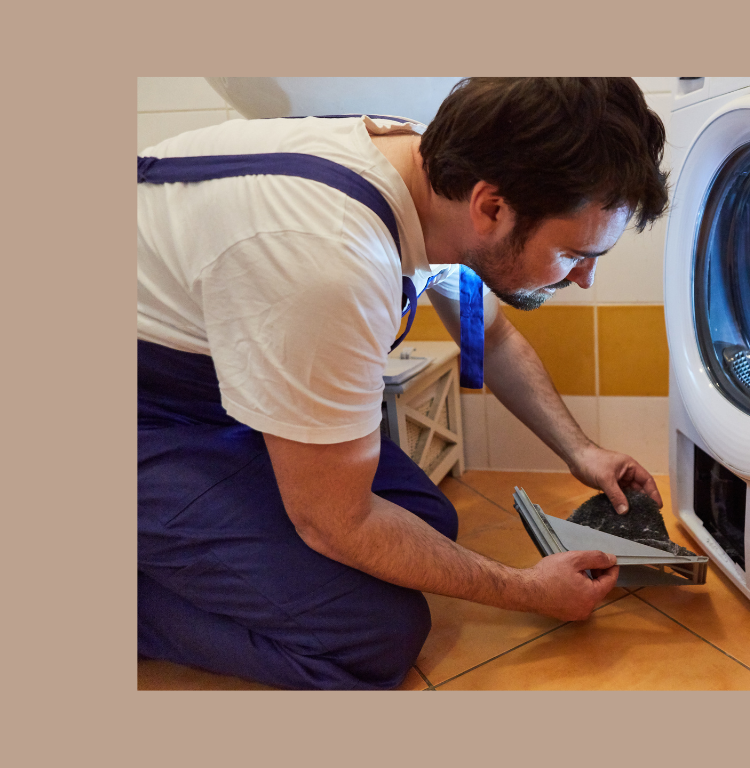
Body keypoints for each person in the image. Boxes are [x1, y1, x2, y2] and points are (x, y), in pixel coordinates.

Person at [136, 78, 670, 689]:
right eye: (577, 253)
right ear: (492, 209)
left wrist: (584, 452)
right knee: (373, 633)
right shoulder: (329, 259)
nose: (585, 280)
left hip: (213, 396)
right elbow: (333, 522)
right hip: (142, 412)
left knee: (421, 521)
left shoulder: (436, 183)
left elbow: (485, 340)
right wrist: (527, 591)